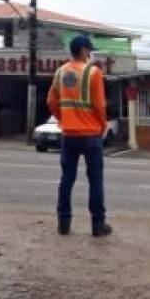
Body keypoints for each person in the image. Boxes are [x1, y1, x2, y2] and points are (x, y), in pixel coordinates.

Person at [47, 34, 112, 238]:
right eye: (89, 50)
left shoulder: (59, 73)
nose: (90, 54)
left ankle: (63, 223)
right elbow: (100, 105)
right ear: (84, 50)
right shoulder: (93, 73)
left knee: (67, 178)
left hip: (69, 135)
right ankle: (98, 226)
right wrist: (102, 127)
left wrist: (63, 119)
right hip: (91, 134)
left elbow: (51, 101)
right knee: (95, 180)